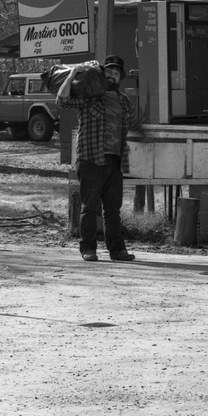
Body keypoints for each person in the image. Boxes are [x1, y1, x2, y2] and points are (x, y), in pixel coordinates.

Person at [58, 55, 142, 262]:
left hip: (116, 160)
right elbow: (62, 100)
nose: (113, 75)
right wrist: (71, 75)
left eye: (116, 72)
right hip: (90, 158)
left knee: (113, 209)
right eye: (110, 71)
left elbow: (135, 124)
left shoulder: (124, 100)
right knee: (89, 207)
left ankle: (117, 250)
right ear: (102, 73)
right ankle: (88, 249)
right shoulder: (89, 95)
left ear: (120, 77)